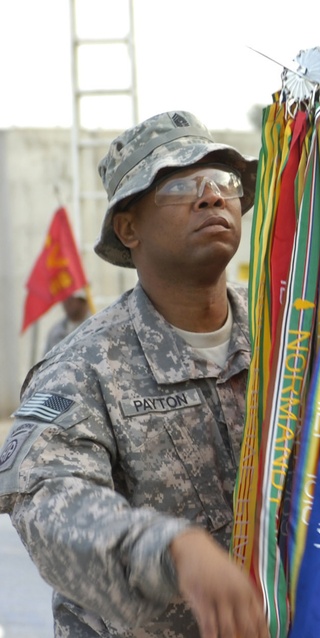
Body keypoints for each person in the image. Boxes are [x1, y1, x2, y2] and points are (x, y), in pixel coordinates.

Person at [0, 111, 267, 638]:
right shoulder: (82, 366)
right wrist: (171, 549)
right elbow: (51, 505)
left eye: (224, 181)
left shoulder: (291, 338)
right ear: (128, 227)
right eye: (180, 185)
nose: (212, 196)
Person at [43, 288, 93, 354]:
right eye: (64, 299)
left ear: (83, 302)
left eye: (71, 299)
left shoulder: (94, 328)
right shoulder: (56, 332)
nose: (67, 303)